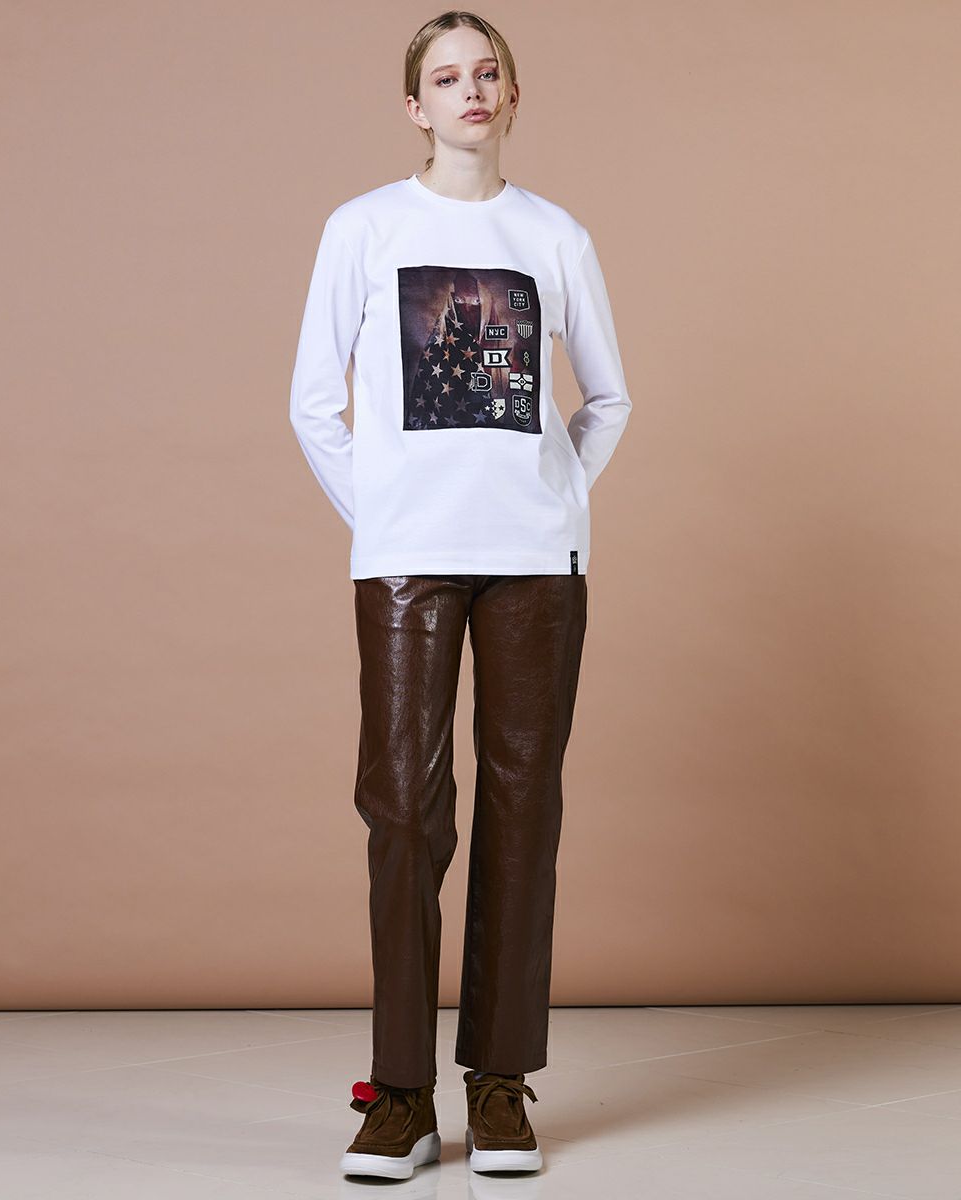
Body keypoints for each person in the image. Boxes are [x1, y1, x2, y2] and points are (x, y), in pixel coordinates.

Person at [289, 9, 632, 1181]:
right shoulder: (364, 228)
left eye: (487, 72)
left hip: (537, 561)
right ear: (415, 106)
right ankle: (399, 1093)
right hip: (407, 556)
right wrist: (386, 513)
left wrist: (551, 495)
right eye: (445, 77)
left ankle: (498, 1083)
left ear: (512, 94)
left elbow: (608, 399)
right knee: (401, 807)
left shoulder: (555, 235)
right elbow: (312, 404)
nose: (469, 90)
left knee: (523, 807)